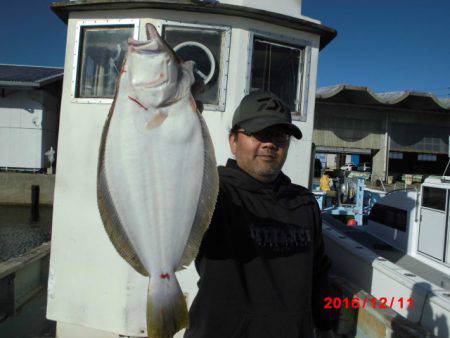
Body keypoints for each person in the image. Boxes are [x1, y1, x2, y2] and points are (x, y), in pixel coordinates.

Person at [184, 90, 338, 338]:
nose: (270, 143)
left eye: (279, 135)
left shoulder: (305, 203)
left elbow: (318, 273)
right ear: (233, 141)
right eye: (259, 133)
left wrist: (325, 326)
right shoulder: (212, 193)